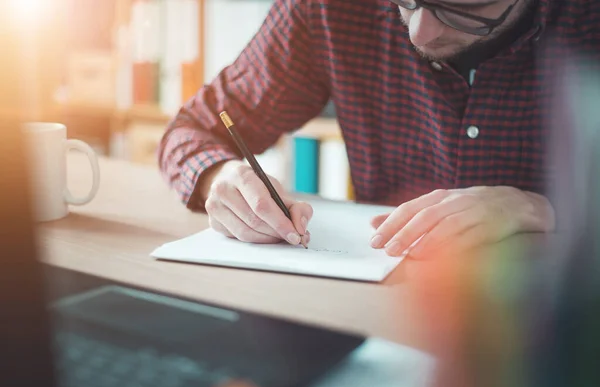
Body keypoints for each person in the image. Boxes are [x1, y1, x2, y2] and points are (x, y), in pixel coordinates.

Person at [158, 0, 600, 258]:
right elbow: (195, 130)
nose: (421, 32)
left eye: (464, 5)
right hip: (379, 305)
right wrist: (221, 177)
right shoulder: (332, 9)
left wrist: (543, 208)